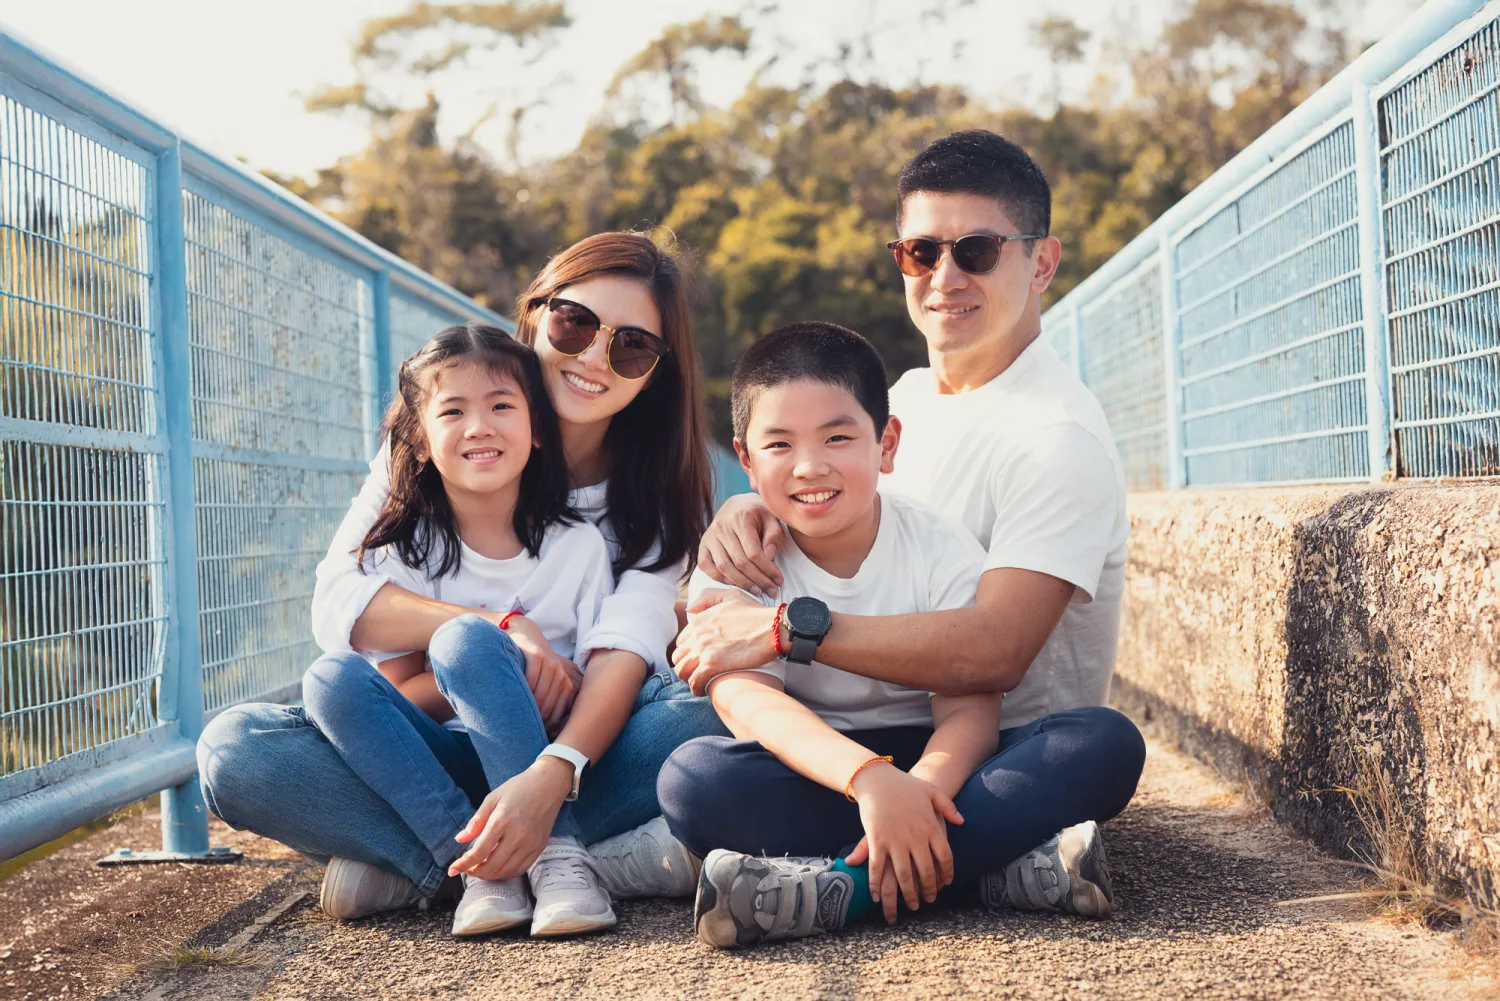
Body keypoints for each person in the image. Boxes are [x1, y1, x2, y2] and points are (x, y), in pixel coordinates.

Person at [673, 130, 1147, 919]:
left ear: (1042, 263)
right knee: (694, 774)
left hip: (991, 752)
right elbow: (829, 482)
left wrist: (790, 630)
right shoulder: (912, 397)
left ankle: (840, 888)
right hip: (846, 747)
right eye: (921, 252)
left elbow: (994, 651)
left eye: (977, 250)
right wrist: (747, 503)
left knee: (1102, 745)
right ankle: (995, 869)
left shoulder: (1056, 437)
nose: (945, 276)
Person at [197, 233, 724, 925]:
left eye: (630, 347)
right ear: (536, 315)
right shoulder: (433, 436)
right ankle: (535, 863)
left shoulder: (645, 495)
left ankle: (434, 865)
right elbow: (340, 607)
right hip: (423, 751)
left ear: (655, 371)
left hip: (572, 755)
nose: (595, 356)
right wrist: (501, 634)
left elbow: (623, 653)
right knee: (236, 751)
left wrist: (547, 773)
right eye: (575, 322)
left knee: (702, 709)